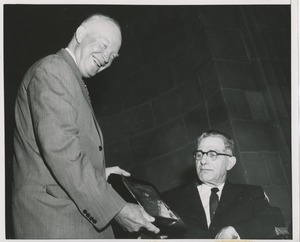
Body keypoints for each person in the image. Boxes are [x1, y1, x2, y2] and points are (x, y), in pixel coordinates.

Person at [12, 14, 159, 239]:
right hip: (58, 223)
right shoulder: (55, 68)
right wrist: (117, 208)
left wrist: (101, 172)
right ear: (81, 34)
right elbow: (61, 151)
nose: (106, 59)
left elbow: (54, 149)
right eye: (103, 46)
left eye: (113, 56)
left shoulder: (69, 76)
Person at [164, 130, 284, 239]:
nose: (203, 161)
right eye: (199, 154)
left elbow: (274, 218)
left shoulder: (250, 193)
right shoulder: (172, 198)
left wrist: (236, 231)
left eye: (212, 154)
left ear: (230, 163)